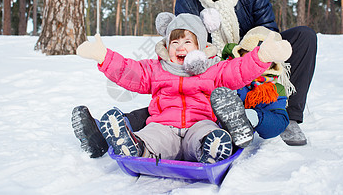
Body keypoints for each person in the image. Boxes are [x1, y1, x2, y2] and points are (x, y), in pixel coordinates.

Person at [74, 10, 292, 163]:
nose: (180, 47)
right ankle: (136, 147)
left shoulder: (213, 69)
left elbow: (239, 70)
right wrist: (103, 57)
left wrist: (263, 56)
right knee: (153, 137)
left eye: (188, 42)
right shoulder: (156, 68)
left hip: (199, 124)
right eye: (174, 42)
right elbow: (129, 71)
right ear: (167, 46)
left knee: (206, 134)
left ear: (200, 46)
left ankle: (211, 149)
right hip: (164, 125)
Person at [174, 0, 317, 146]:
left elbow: (269, 28)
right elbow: (186, 46)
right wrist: (222, 59)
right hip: (216, 69)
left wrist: (249, 52)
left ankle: (290, 117)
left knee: (304, 37)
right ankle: (214, 115)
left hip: (254, 56)